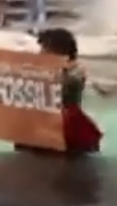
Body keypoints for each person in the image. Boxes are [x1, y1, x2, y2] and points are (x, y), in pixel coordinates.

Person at [17, 27, 102, 156]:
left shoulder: (75, 69)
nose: (41, 53)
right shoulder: (40, 68)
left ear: (59, 49)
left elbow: (70, 82)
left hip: (68, 122)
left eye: (45, 49)